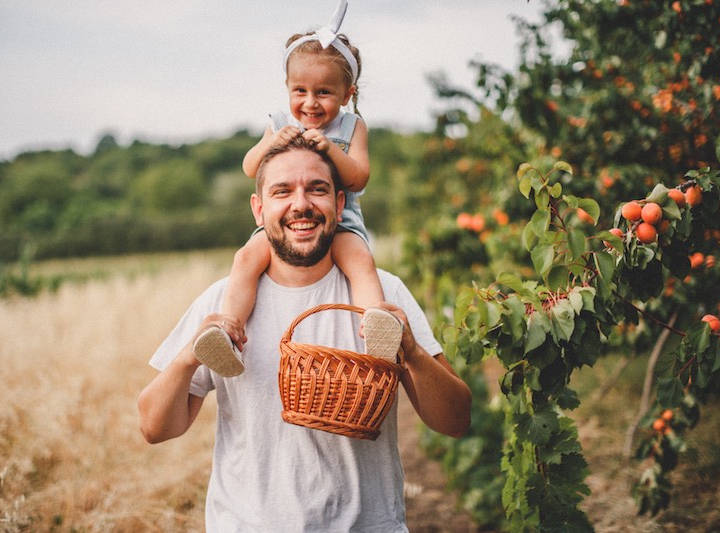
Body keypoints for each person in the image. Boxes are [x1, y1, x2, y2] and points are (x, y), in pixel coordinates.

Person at [138, 137, 472, 531]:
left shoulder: (384, 296)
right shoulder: (223, 303)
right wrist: (188, 358)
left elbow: (455, 421)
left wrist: (413, 355)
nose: (301, 204)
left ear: (340, 205)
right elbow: (155, 428)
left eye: (317, 189)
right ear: (258, 209)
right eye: (282, 191)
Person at [193, 0, 397, 377]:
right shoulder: (280, 121)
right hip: (285, 224)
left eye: (323, 92)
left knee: (360, 263)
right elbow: (249, 166)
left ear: (347, 93)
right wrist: (272, 142)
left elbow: (358, 178)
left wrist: (331, 151)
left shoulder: (352, 128)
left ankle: (376, 330)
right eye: (299, 90)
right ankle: (228, 331)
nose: (310, 102)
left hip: (341, 220)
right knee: (246, 259)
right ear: (287, 89)